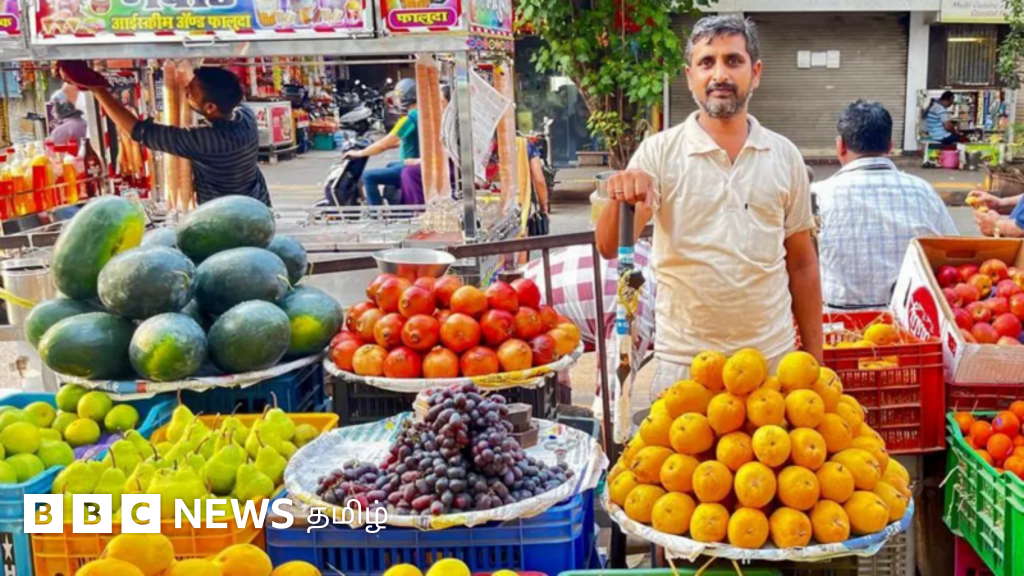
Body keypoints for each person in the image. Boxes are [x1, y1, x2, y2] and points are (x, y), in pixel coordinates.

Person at [594, 15, 823, 397]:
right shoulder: (659, 152)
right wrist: (623, 196)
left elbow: (801, 263)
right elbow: (608, 245)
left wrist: (813, 363)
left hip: (772, 361)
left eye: (733, 60)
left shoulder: (785, 156)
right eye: (707, 62)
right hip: (685, 365)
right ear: (689, 77)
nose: (720, 74)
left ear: (756, 71)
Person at [814, 100, 958, 310]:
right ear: (890, 146)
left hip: (838, 327)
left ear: (841, 145)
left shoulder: (818, 195)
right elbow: (953, 252)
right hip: (915, 325)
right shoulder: (923, 191)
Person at [66, 65, 270, 206]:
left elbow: (139, 131)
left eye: (191, 92)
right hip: (258, 204)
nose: (186, 91)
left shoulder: (207, 141)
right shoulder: (246, 116)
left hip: (228, 220)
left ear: (210, 107)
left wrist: (98, 90)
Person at [347, 78, 419, 206]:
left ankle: (376, 213)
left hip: (411, 165)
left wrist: (360, 153)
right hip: (416, 162)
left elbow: (384, 143)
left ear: (406, 97)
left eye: (398, 96)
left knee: (368, 177)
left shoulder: (409, 119)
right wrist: (375, 146)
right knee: (390, 165)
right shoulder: (420, 115)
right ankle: (393, 201)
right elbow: (403, 141)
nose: (396, 100)